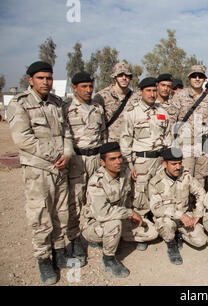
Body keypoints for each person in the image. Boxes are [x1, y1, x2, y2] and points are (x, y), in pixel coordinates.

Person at [7, 61, 75, 284]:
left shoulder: (57, 103)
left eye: (48, 78)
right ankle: (43, 259)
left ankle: (59, 250)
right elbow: (22, 138)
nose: (46, 82)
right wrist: (54, 155)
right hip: (38, 171)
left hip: (60, 169)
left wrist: (66, 153)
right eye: (41, 78)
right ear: (30, 80)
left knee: (60, 213)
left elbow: (66, 131)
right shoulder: (20, 104)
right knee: (40, 215)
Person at [81, 142, 158, 278]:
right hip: (96, 223)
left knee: (152, 232)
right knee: (114, 223)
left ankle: (115, 238)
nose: (118, 162)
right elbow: (102, 213)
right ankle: (108, 259)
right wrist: (130, 213)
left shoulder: (124, 173)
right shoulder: (96, 182)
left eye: (119, 158)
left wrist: (135, 213)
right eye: (112, 159)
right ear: (102, 162)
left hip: (121, 217)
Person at [120, 77, 172, 250]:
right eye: (148, 90)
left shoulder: (162, 111)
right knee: (140, 196)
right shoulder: (132, 112)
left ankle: (158, 227)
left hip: (159, 159)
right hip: (141, 160)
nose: (152, 94)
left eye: (154, 90)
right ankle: (140, 232)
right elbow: (125, 139)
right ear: (141, 91)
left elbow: (168, 135)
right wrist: (129, 164)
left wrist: (168, 157)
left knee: (158, 192)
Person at [63, 72, 107, 267]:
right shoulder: (66, 108)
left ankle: (91, 233)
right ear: (75, 88)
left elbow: (104, 134)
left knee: (95, 197)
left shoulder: (98, 108)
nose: (89, 90)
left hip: (96, 158)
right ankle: (74, 240)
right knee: (75, 200)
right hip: (77, 160)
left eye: (90, 86)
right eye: (84, 87)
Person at [148, 147, 208, 265]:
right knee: (166, 224)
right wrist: (180, 215)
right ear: (164, 164)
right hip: (167, 218)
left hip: (185, 217)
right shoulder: (156, 182)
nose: (178, 167)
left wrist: (198, 214)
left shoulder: (186, 176)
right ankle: (171, 244)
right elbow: (155, 208)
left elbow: (201, 192)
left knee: (201, 241)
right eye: (174, 164)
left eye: (180, 163)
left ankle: (179, 234)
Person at [171, 65, 208, 188]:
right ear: (189, 78)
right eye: (194, 76)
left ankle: (199, 207)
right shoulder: (179, 96)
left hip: (202, 148)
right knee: (184, 180)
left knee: (200, 181)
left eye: (200, 76)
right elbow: (171, 123)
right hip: (184, 147)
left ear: (204, 79)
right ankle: (184, 207)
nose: (197, 78)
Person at [92, 61, 139, 143]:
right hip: (110, 146)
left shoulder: (136, 97)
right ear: (115, 77)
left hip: (130, 144)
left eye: (127, 75)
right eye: (120, 75)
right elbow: (95, 124)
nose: (124, 78)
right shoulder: (102, 96)